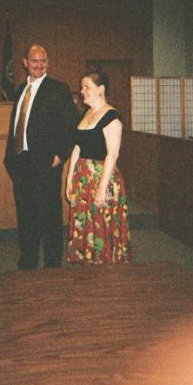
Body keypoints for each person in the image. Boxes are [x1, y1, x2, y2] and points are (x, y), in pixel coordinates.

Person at [4, 44, 78, 269]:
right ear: (25, 63)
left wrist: (60, 156)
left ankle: (52, 264)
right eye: (34, 61)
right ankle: (28, 260)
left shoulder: (58, 89)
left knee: (50, 217)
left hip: (46, 164)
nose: (39, 65)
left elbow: (71, 126)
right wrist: (10, 159)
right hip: (21, 163)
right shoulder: (20, 90)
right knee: (26, 216)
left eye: (43, 61)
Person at [65, 69, 132, 264]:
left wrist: (102, 189)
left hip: (102, 178)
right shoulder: (86, 114)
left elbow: (113, 154)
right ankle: (87, 261)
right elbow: (78, 147)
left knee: (101, 223)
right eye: (82, 87)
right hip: (83, 178)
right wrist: (69, 179)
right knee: (86, 222)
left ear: (100, 89)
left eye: (86, 87)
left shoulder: (111, 116)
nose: (82, 91)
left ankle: (106, 266)